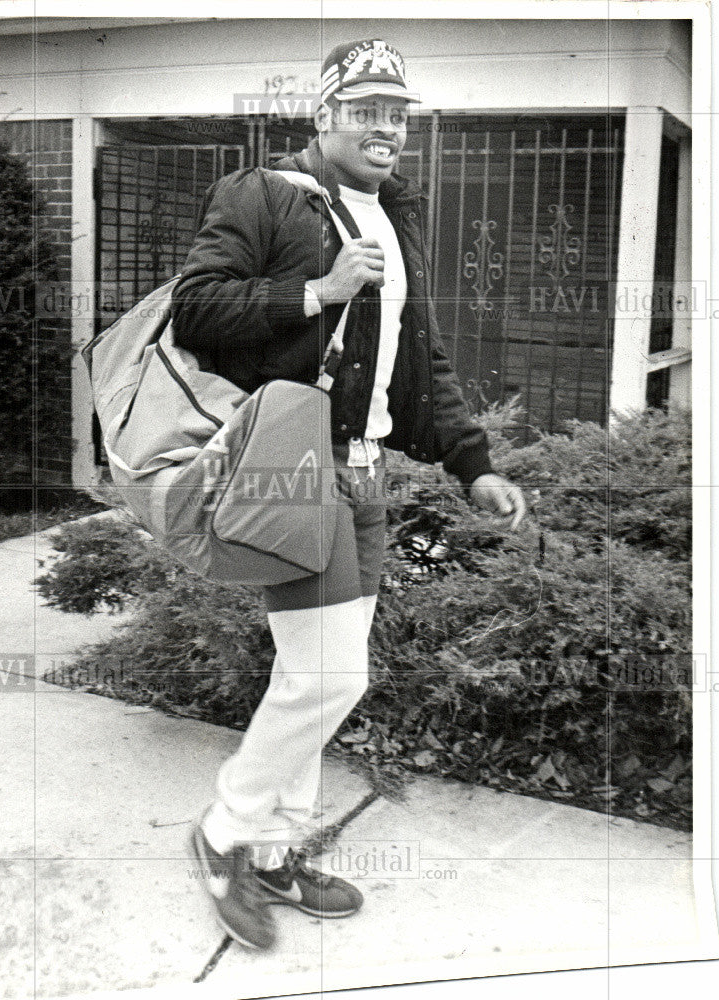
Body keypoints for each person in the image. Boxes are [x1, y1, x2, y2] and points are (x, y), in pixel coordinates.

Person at [171, 38, 527, 950]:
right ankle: (223, 835)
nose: (385, 127)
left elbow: (423, 357)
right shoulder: (263, 194)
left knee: (317, 674)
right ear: (323, 115)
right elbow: (197, 307)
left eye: (397, 113)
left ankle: (278, 851)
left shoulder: (391, 216)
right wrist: (314, 292)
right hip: (296, 466)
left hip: (365, 469)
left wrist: (472, 462)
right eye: (365, 109)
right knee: (332, 675)